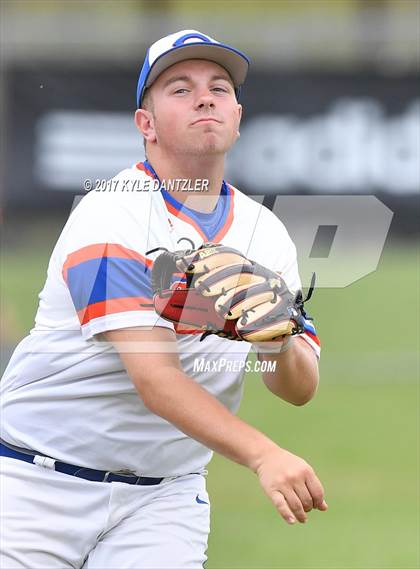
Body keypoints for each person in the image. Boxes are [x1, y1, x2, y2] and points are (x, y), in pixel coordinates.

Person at [0, 29, 327, 569]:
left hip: (163, 496)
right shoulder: (112, 214)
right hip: (34, 482)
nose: (204, 97)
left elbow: (297, 387)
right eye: (179, 88)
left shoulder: (264, 233)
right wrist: (265, 455)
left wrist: (279, 336)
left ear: (238, 117)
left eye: (219, 88)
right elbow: (155, 378)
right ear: (144, 124)